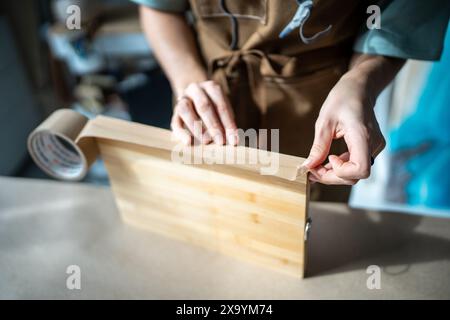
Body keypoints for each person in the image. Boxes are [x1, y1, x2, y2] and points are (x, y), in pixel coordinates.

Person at [133, 0, 449, 201]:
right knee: (206, 205)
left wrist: (362, 80)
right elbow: (160, 8)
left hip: (320, 109)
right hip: (208, 97)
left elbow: (396, 19)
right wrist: (187, 79)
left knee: (306, 219)